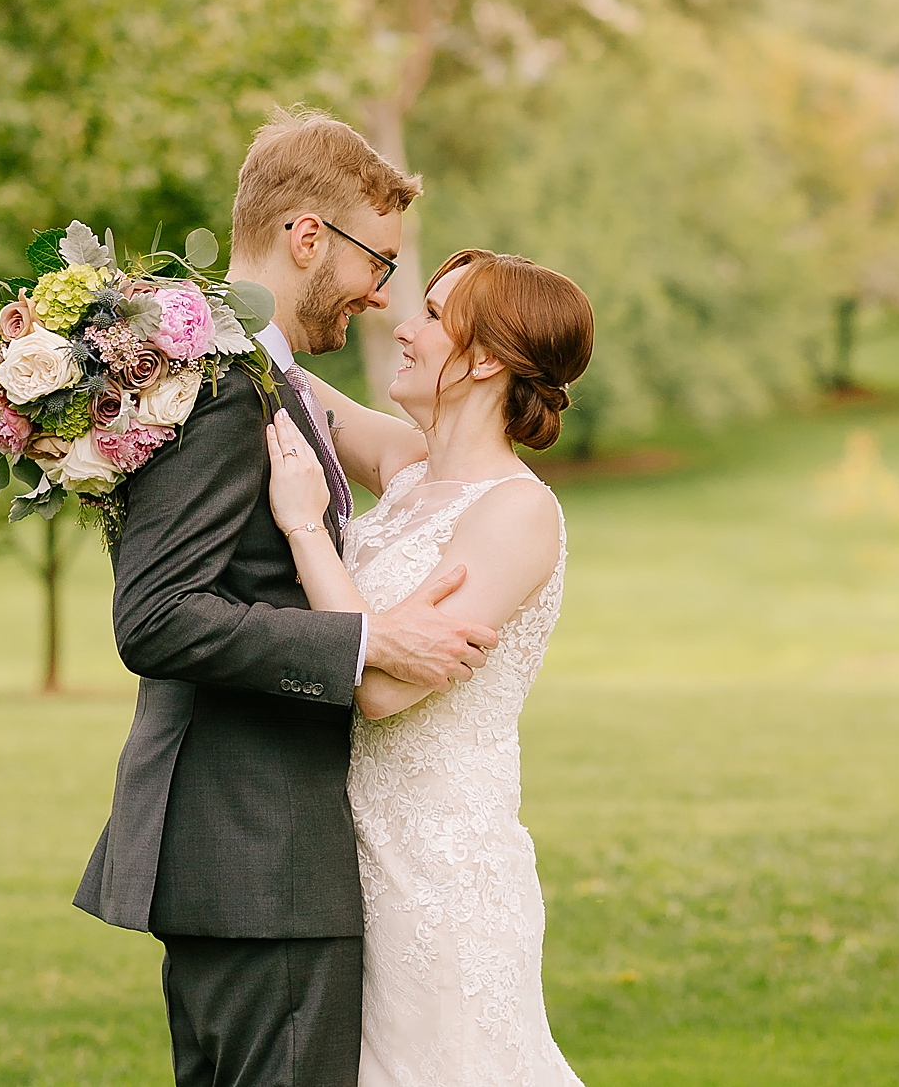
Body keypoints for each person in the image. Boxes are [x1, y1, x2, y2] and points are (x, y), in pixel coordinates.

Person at [74, 108, 499, 1086]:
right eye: (379, 263)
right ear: (308, 235)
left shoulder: (260, 374)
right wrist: (366, 643)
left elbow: (421, 452)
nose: (384, 297)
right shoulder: (222, 386)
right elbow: (158, 615)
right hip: (257, 853)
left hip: (240, 854)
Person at [265, 246, 593, 1084]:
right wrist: (163, 316)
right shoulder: (410, 469)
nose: (401, 326)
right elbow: (285, 384)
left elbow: (378, 686)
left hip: (442, 876)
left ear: (485, 357)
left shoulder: (519, 513)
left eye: (433, 314)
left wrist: (307, 528)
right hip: (357, 858)